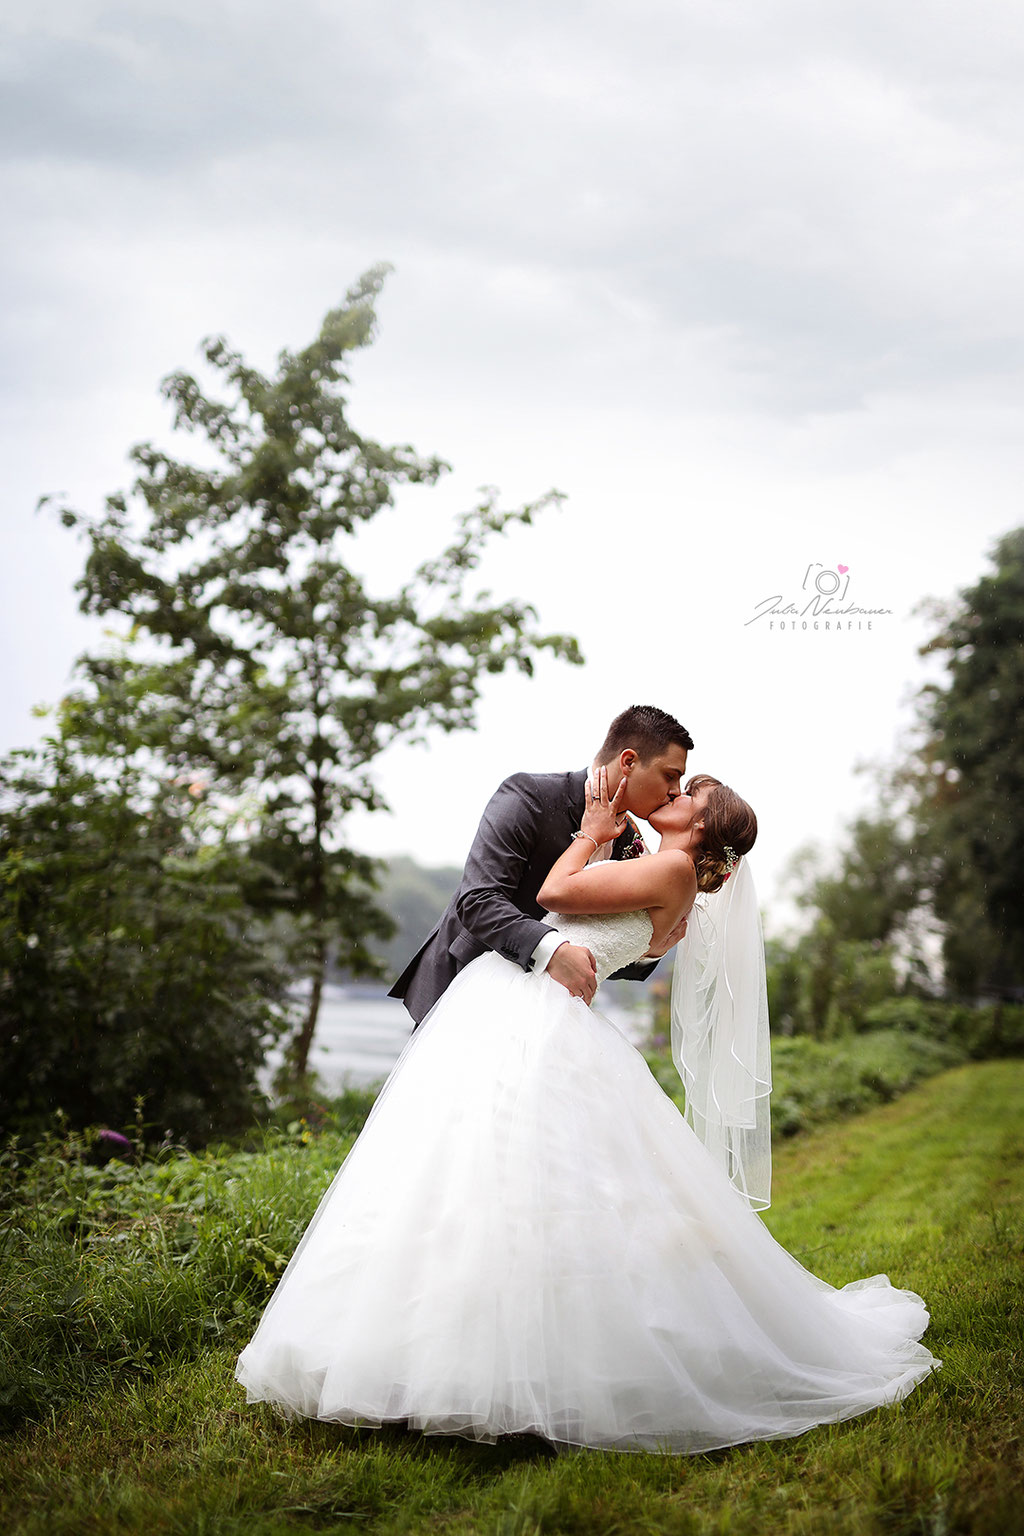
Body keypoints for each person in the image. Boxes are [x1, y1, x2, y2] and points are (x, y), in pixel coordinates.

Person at [236, 764, 939, 1453]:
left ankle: (479, 1361)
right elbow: (617, 934)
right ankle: (468, 1355)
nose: (676, 793)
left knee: (496, 1174)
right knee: (487, 1175)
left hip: (531, 1011)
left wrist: (592, 829)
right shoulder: (674, 881)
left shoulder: (670, 871)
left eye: (689, 793)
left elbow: (553, 891)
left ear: (701, 825)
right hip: (526, 1004)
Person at [388, 704, 694, 1022]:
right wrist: (552, 950)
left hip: (538, 1013)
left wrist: (650, 948)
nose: (675, 792)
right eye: (670, 776)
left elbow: (597, 952)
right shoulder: (529, 796)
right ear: (629, 761)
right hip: (461, 989)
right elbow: (477, 901)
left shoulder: (631, 844)